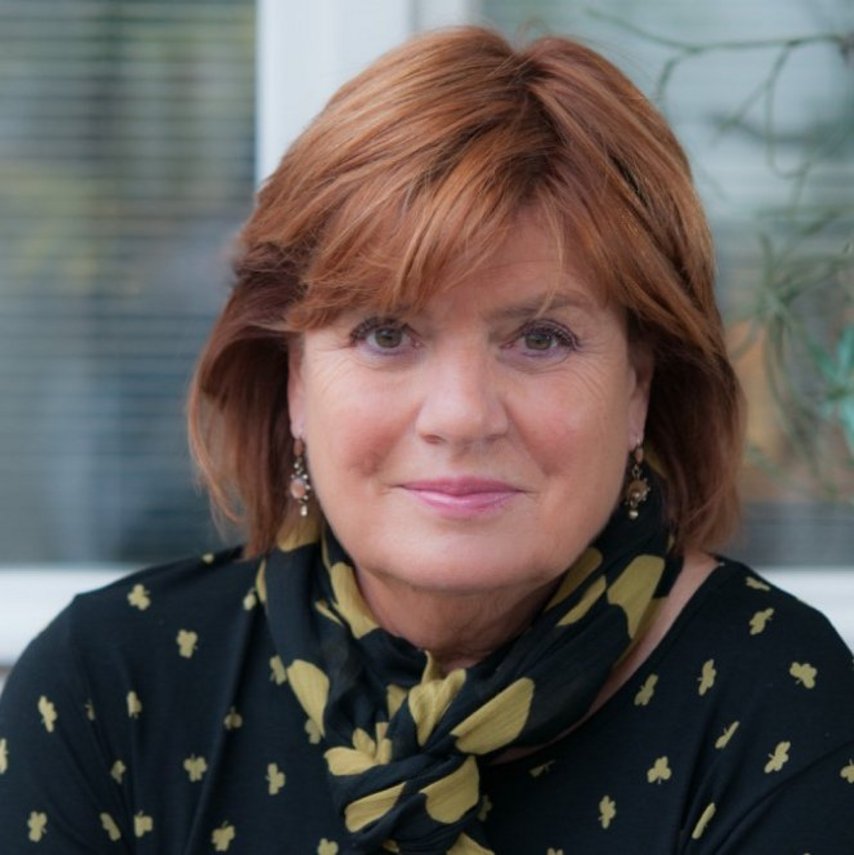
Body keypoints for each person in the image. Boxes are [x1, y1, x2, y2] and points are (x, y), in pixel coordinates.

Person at [1, 26, 852, 855]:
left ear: (638, 385)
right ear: (295, 381)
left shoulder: (780, 709)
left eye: (541, 337)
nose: (460, 414)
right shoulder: (106, 690)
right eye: (386, 333)